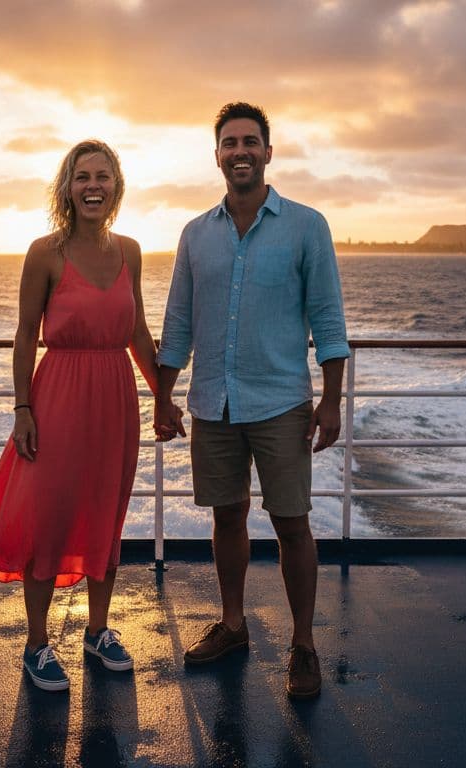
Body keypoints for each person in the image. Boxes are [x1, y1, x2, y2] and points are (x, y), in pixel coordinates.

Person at [153, 102, 349, 700]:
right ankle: (234, 626)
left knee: (293, 523)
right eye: (229, 143)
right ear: (217, 155)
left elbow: (329, 321)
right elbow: (178, 324)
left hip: (282, 401)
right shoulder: (194, 234)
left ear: (268, 152)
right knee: (227, 516)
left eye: (250, 142)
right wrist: (164, 399)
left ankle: (303, 645)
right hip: (214, 401)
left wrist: (332, 401)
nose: (240, 151)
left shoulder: (306, 226)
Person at [0, 139, 161, 692]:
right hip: (58, 395)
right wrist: (22, 407)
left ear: (116, 186)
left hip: (116, 396)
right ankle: (37, 644)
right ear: (67, 188)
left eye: (103, 176)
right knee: (48, 516)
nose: (93, 186)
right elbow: (25, 335)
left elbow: (138, 333)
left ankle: (98, 630)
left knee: (106, 512)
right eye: (82, 177)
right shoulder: (44, 252)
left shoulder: (132, 252)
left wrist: (162, 396)